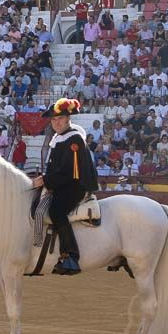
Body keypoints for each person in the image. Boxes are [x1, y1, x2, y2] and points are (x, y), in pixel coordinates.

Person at [30, 98, 97, 276]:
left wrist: (46, 180)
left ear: (68, 119)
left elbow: (70, 173)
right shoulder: (60, 137)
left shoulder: (73, 139)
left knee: (56, 211)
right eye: (53, 119)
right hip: (62, 182)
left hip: (74, 185)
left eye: (60, 118)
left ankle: (71, 256)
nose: (56, 122)